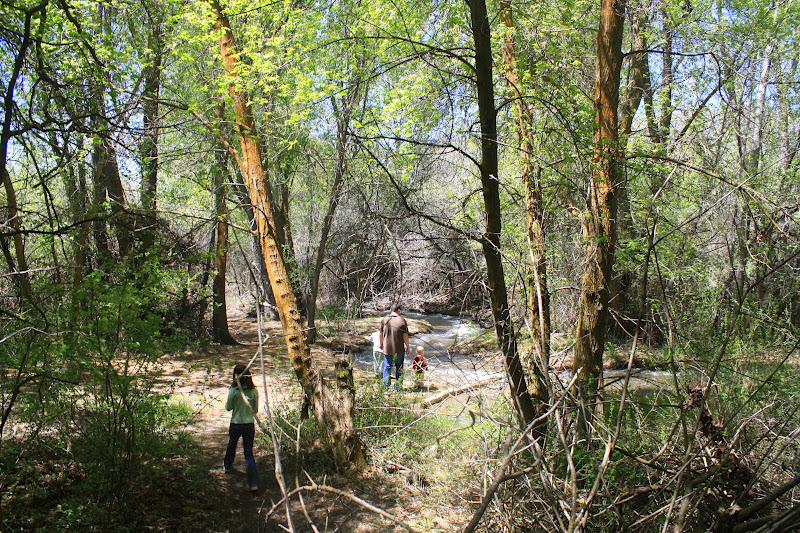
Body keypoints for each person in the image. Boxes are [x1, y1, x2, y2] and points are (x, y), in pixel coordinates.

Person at [223, 364, 260, 492]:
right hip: (249, 424)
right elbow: (255, 410)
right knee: (248, 453)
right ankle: (253, 483)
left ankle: (227, 466)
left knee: (232, 444)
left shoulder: (233, 390)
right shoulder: (254, 391)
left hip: (236, 424)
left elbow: (228, 407)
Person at [380, 303, 410, 391]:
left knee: (387, 367)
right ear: (399, 311)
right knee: (399, 368)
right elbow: (405, 336)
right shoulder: (402, 320)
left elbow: (381, 334)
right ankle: (398, 388)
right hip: (399, 349)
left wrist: (382, 344)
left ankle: (385, 387)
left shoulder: (384, 320)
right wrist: (408, 347)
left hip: (387, 349)